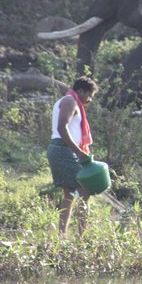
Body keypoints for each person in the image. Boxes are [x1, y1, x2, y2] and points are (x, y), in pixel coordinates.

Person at [47, 76, 99, 236]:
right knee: (85, 190)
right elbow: (62, 128)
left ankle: (62, 235)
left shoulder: (71, 101)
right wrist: (78, 152)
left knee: (69, 194)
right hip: (63, 149)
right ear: (80, 91)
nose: (89, 100)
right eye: (89, 95)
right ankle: (82, 236)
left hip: (60, 149)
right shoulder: (70, 101)